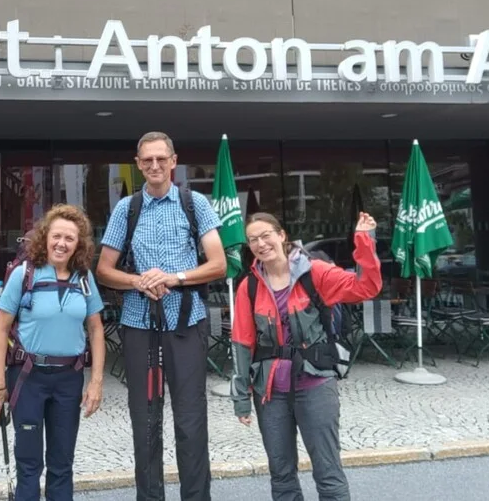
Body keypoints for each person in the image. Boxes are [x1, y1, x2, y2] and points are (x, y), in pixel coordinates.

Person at [96, 131, 226, 501]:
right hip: (140, 326)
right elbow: (104, 270)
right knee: (146, 422)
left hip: (186, 324)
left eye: (160, 159)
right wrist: (138, 281)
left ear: (173, 161)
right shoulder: (127, 209)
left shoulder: (194, 203)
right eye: (146, 160)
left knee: (190, 421)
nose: (154, 166)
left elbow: (218, 265)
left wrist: (175, 277)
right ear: (138, 164)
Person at [231, 211, 382, 501]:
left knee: (328, 472)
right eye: (253, 240)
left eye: (266, 236)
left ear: (281, 235)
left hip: (315, 386)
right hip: (271, 392)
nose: (261, 244)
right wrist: (240, 399)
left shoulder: (315, 272)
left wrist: (364, 240)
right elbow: (241, 343)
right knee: (281, 474)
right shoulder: (248, 287)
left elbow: (367, 287)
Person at [0, 204, 106, 501]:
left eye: (69, 238)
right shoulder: (25, 274)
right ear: (45, 237)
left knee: (62, 463)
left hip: (69, 379)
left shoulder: (83, 278)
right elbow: (1, 330)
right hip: (28, 378)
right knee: (29, 464)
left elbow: (96, 330)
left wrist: (96, 382)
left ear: (79, 244)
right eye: (57, 236)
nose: (61, 244)